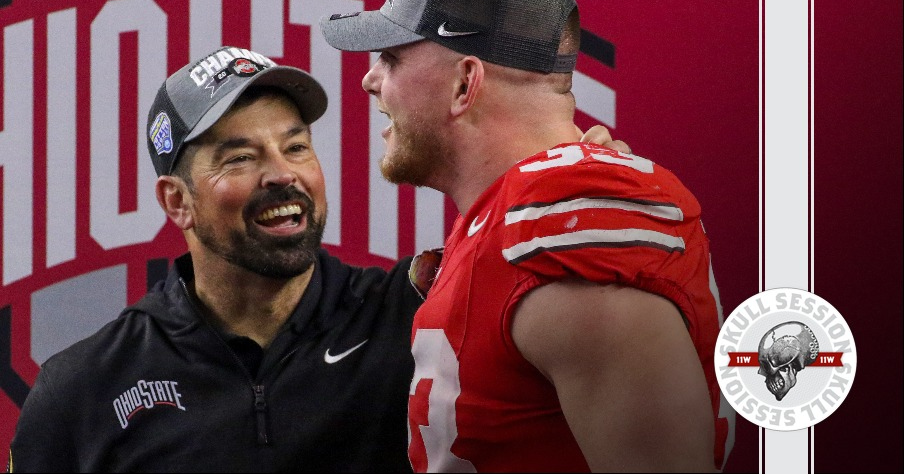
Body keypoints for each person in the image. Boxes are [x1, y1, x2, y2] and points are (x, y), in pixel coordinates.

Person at [7, 45, 628, 472]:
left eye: (296, 146)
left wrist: (578, 197)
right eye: (240, 157)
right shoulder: (84, 391)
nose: (283, 175)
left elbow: (555, 283)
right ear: (178, 202)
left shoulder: (419, 316)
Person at [320, 0, 732, 472]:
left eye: (390, 58)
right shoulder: (520, 214)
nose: (369, 80)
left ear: (463, 84)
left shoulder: (569, 223)